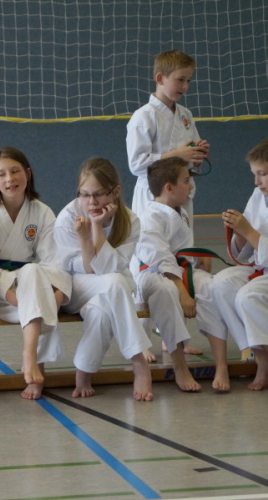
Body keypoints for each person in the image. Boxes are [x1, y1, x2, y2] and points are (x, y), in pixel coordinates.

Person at [127, 49, 211, 360]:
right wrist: (177, 154)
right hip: (152, 196)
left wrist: (197, 154)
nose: (185, 86)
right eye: (180, 80)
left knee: (180, 259)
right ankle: (141, 338)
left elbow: (190, 157)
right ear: (160, 78)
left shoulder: (185, 114)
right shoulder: (143, 116)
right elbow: (136, 164)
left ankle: (174, 337)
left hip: (181, 195)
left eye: (189, 81)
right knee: (149, 263)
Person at [0, 147, 71, 400]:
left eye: (15, 171)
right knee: (37, 289)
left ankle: (31, 359)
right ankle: (33, 360)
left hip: (31, 285)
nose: (9, 179)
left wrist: (54, 295)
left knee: (35, 273)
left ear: (28, 173)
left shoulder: (42, 212)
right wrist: (19, 297)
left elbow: (54, 262)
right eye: (2, 174)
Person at [54, 158, 153, 401]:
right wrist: (85, 238)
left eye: (98, 194)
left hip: (109, 290)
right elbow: (88, 270)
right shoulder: (68, 217)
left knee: (101, 311)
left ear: (115, 192)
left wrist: (96, 228)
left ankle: (83, 374)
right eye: (85, 194)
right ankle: (139, 361)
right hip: (73, 287)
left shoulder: (130, 221)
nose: (91, 202)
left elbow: (112, 267)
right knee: (115, 283)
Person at [133, 157, 229, 392]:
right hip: (152, 274)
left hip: (179, 270)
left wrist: (198, 256)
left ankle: (222, 364)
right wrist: (183, 292)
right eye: (186, 181)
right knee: (167, 291)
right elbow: (162, 259)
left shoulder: (180, 211)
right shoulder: (149, 217)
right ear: (169, 188)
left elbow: (180, 249)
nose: (191, 186)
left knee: (211, 286)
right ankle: (179, 366)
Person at [213, 138, 268, 390]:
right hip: (261, 269)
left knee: (248, 296)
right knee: (221, 283)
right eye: (255, 174)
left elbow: (255, 237)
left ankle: (264, 363)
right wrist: (238, 232)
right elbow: (244, 252)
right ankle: (257, 353)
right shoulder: (258, 195)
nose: (257, 181)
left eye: (263, 174)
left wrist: (249, 232)